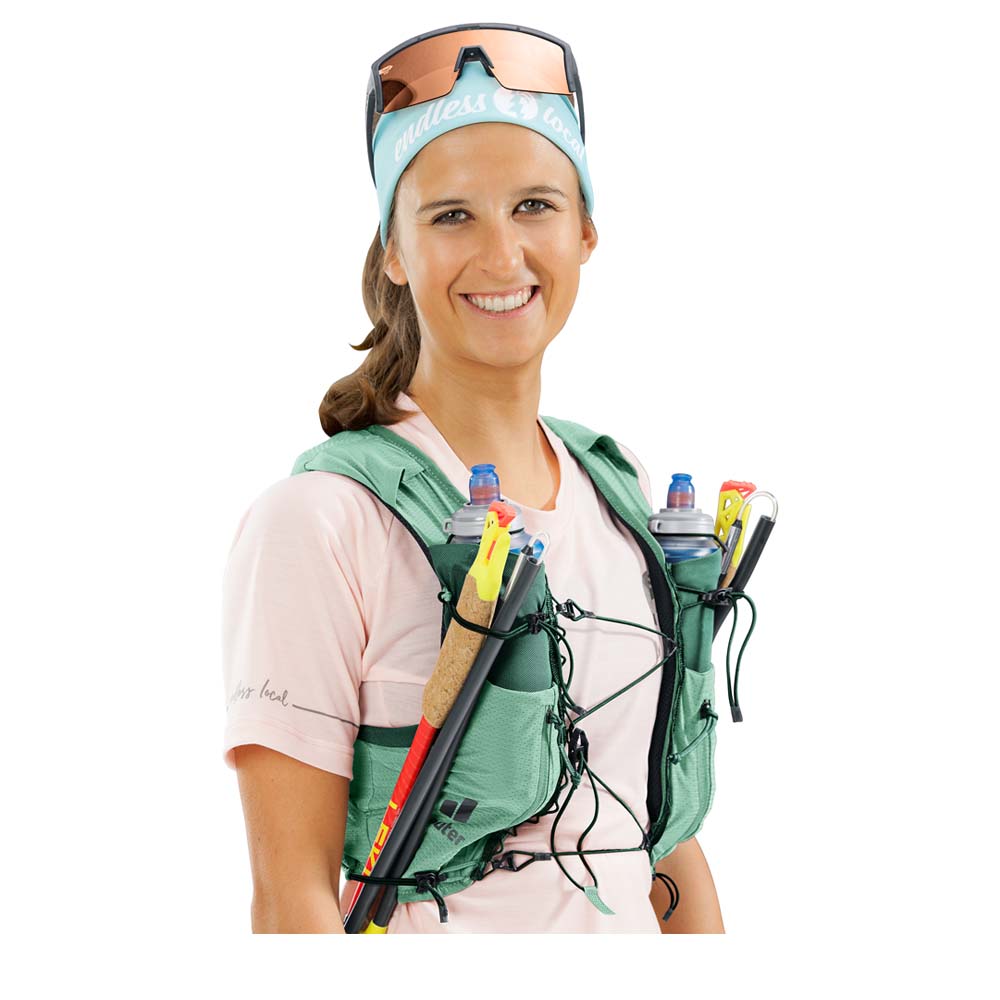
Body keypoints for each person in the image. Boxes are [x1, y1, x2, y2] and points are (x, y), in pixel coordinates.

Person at [221, 22, 725, 933]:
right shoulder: (320, 523)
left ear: (585, 232)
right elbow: (290, 900)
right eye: (452, 215)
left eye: (534, 206)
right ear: (393, 250)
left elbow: (659, 843)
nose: (501, 256)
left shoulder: (619, 497)